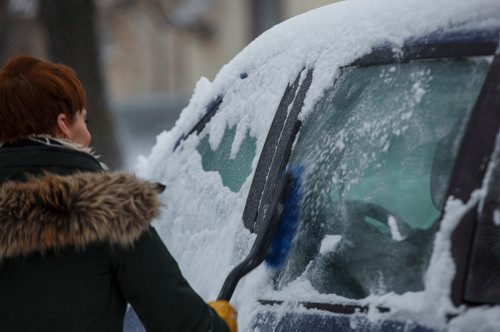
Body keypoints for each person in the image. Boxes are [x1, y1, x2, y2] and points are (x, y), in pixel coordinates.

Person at [0, 55, 237, 332]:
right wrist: (217, 325)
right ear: (63, 125)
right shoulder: (109, 208)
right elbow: (177, 319)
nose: (88, 136)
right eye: (84, 121)